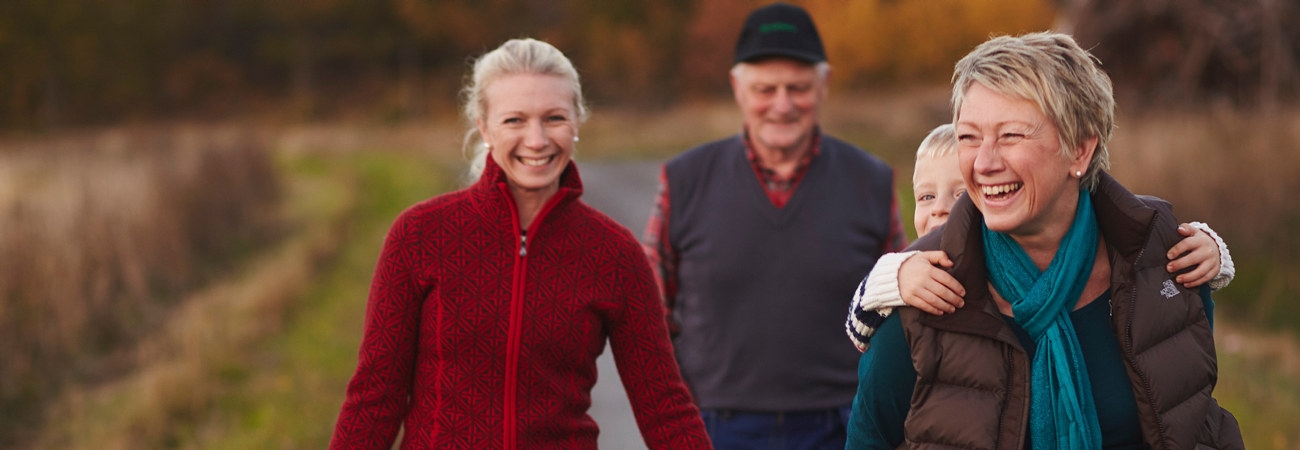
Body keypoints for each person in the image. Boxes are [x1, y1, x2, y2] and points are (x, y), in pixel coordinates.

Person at [845, 32, 1243, 449]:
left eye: (1012, 135)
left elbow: (1192, 421)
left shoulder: (1163, 255)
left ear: (1080, 150)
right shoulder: (920, 288)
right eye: (968, 137)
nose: (984, 163)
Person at [329, 38, 711, 449]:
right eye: (515, 120)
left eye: (554, 118)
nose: (536, 139)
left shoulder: (615, 254)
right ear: (484, 126)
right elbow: (375, 397)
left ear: (577, 122)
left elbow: (664, 406)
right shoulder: (420, 235)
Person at [642, 3, 907, 448]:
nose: (782, 105)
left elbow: (899, 320)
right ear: (738, 88)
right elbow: (650, 321)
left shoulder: (873, 182)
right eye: (766, 89)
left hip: (844, 426)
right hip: (714, 426)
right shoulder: (683, 180)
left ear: (823, 86)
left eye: (797, 88)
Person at [846, 124, 1235, 351]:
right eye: (926, 197)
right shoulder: (914, 270)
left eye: (961, 196)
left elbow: (1141, 240)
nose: (940, 209)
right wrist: (893, 278)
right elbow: (858, 333)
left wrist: (1211, 248)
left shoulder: (1029, 252)